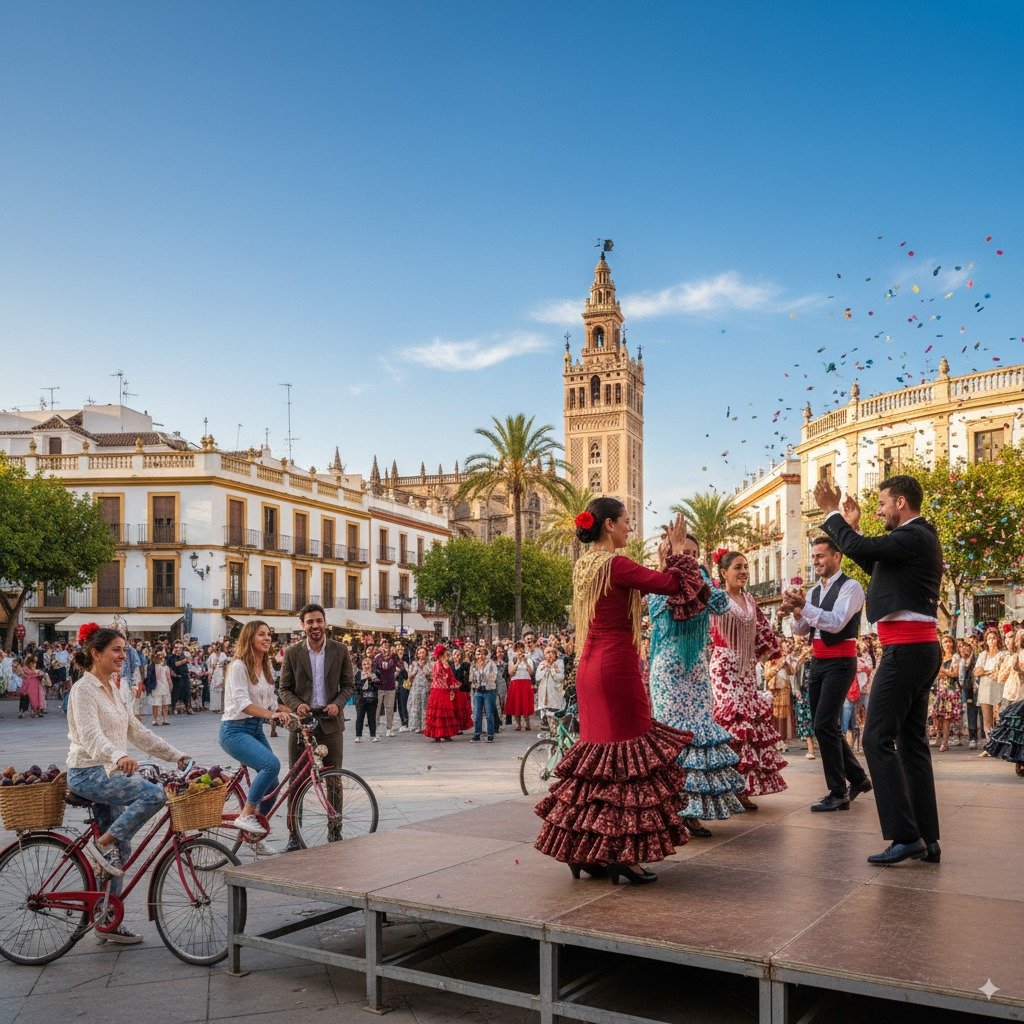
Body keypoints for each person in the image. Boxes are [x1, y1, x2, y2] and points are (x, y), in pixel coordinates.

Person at [535, 501, 707, 886]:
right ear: (609, 525)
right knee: (626, 761)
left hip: (589, 667)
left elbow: (634, 592)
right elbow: (673, 587)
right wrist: (678, 555)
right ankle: (623, 857)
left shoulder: (585, 565)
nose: (631, 528)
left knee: (597, 759)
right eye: (627, 522)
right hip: (616, 666)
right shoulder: (615, 564)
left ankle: (585, 851)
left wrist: (663, 562)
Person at [815, 474, 943, 865]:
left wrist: (833, 513)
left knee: (875, 739)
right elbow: (871, 556)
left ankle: (906, 835)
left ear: (901, 502)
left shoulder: (915, 534)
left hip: (906, 651)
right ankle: (927, 837)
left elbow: (861, 548)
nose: (878, 509)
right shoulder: (913, 541)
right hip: (916, 649)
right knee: (912, 745)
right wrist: (852, 529)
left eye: (883, 503)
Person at [66, 623, 193, 944]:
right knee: (152, 795)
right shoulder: (83, 690)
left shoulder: (113, 688)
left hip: (109, 772)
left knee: (123, 848)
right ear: (96, 653)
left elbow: (138, 731)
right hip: (89, 772)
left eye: (124, 649)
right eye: (116, 650)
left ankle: (107, 920)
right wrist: (116, 756)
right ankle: (101, 845)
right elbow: (90, 735)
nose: (124, 655)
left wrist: (175, 755)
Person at [647, 534, 746, 838]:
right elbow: (660, 608)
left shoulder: (705, 585)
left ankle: (690, 811)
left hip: (697, 671)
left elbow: (721, 605)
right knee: (672, 737)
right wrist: (673, 567)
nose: (688, 557)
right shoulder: (659, 580)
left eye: (693, 553)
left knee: (697, 737)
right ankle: (667, 810)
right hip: (668, 669)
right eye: (682, 552)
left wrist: (693, 573)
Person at [783, 536, 870, 813]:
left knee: (823, 724)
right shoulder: (813, 592)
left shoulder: (851, 587)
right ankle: (857, 779)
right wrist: (796, 614)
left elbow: (835, 623)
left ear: (836, 557)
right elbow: (801, 632)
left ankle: (837, 791)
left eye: (821, 556)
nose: (816, 561)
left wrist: (804, 607)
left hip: (841, 661)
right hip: (819, 661)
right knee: (827, 726)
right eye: (814, 557)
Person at [710, 552, 788, 809]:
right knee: (730, 723)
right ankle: (723, 786)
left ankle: (741, 788)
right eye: (737, 567)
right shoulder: (716, 600)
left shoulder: (750, 600)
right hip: (723, 669)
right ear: (723, 572)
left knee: (746, 727)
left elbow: (764, 633)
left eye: (745, 567)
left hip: (746, 672)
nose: (743, 571)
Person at [278, 603, 355, 852]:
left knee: (334, 779)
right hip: (302, 724)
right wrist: (297, 705)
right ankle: (294, 835)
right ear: (303, 626)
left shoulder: (340, 650)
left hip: (331, 722)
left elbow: (348, 684)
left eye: (318, 621)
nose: (315, 626)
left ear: (325, 623)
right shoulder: (292, 653)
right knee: (296, 781)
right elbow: (284, 689)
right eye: (310, 622)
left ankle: (335, 831)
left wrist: (338, 704)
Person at [218, 621, 293, 844]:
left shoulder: (266, 666)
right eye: (261, 634)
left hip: (254, 728)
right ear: (250, 637)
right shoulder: (239, 666)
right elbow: (242, 704)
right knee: (271, 765)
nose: (267, 638)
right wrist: (271, 716)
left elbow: (270, 702)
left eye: (269, 634)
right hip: (234, 730)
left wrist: (295, 710)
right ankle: (246, 814)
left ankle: (255, 835)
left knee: (272, 785)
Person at [973, 627, 1006, 753]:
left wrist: (984, 672)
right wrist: (988, 672)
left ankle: (1000, 746)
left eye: (994, 638)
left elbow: (1000, 671)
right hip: (985, 688)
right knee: (987, 720)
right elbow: (976, 671)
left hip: (998, 687)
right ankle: (990, 746)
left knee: (997, 717)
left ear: (998, 639)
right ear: (986, 640)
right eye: (989, 638)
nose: (991, 640)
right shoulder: (983, 654)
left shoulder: (1002, 654)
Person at [932, 636, 963, 753]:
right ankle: (940, 737)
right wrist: (942, 673)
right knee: (938, 715)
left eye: (949, 642)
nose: (947, 644)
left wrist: (944, 671)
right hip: (940, 689)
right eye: (945, 642)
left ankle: (945, 741)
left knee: (947, 716)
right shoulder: (940, 657)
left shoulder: (955, 657)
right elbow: (936, 673)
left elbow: (955, 674)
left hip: (950, 690)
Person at [424, 643, 460, 741]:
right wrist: (444, 667)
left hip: (445, 690)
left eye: (446, 656)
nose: (445, 658)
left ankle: (446, 733)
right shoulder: (436, 664)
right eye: (443, 656)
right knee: (437, 712)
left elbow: (451, 676)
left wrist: (446, 667)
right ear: (439, 656)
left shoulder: (447, 664)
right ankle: (437, 734)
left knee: (446, 711)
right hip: (437, 690)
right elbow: (437, 675)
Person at [469, 646, 499, 742]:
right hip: (478, 691)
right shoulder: (473, 665)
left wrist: (484, 676)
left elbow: (494, 676)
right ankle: (477, 734)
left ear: (485, 654)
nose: (480, 656)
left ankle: (490, 734)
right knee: (477, 714)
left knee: (489, 713)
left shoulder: (491, 664)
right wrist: (475, 684)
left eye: (482, 653)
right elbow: (471, 678)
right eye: (477, 654)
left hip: (489, 690)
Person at [505, 642, 535, 731]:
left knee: (525, 703)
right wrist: (517, 662)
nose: (520, 650)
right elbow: (511, 673)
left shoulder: (528, 659)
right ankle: (518, 724)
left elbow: (531, 672)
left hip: (526, 682)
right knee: (516, 703)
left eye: (521, 648)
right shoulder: (512, 660)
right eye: (517, 648)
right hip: (515, 683)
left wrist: (525, 662)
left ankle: (527, 724)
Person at [372, 642, 401, 737]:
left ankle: (389, 729)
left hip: (390, 686)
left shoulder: (394, 657)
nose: (385, 647)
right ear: (380, 647)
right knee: (377, 708)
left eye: (387, 646)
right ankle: (375, 728)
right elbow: (373, 670)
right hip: (379, 686)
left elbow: (400, 666)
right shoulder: (377, 657)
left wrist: (396, 672)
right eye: (383, 646)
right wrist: (375, 679)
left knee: (389, 708)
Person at [534, 646, 566, 728]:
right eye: (547, 653)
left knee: (555, 711)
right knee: (545, 712)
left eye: (551, 653)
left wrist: (552, 669)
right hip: (544, 691)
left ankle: (556, 729)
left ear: (555, 655)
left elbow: (560, 677)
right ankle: (548, 727)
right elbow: (537, 677)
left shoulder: (559, 663)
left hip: (555, 691)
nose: (549, 655)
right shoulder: (542, 664)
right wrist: (545, 668)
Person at [957, 638, 980, 747]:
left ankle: (986, 735)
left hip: (977, 688)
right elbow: (960, 677)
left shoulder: (976, 658)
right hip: (967, 689)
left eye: (965, 646)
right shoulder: (961, 661)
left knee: (980, 712)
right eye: (961, 647)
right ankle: (973, 737)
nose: (963, 648)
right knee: (971, 712)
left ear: (971, 647)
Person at [353, 655, 380, 742]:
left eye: (368, 664)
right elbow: (355, 686)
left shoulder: (375, 673)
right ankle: (358, 735)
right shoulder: (358, 674)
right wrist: (364, 679)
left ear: (371, 665)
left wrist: (371, 677)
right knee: (359, 717)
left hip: (372, 699)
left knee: (372, 717)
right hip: (361, 699)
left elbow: (378, 684)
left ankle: (373, 735)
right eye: (364, 664)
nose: (366, 666)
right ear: (362, 665)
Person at [406, 646, 430, 732]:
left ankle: (424, 725)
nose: (421, 655)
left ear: (426, 653)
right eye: (419, 653)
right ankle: (416, 726)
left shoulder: (429, 663)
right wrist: (411, 672)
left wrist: (424, 669)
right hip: (415, 687)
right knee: (416, 706)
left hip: (425, 687)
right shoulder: (414, 663)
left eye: (423, 652)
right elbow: (410, 676)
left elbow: (430, 674)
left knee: (424, 706)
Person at [450, 646, 474, 732]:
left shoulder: (465, 665)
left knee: (461, 708)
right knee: (453, 709)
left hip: (462, 690)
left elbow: (469, 677)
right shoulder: (450, 665)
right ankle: (453, 726)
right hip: (452, 690)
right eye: (454, 654)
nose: (456, 656)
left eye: (458, 654)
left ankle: (459, 727)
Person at [18, 654, 47, 718]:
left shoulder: (26, 668)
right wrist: (37, 674)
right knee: (32, 699)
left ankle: (28, 712)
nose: (35, 664)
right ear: (31, 662)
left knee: (28, 699)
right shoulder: (27, 668)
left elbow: (25, 675)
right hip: (31, 685)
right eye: (34, 662)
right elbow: (28, 674)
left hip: (29, 685)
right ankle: (32, 712)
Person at [392, 640, 411, 731]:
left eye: (402, 650)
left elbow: (408, 675)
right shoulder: (392, 662)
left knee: (403, 704)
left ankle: (406, 721)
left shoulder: (405, 662)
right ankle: (403, 721)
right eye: (398, 650)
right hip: (395, 685)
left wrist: (400, 671)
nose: (400, 651)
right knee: (399, 704)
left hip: (403, 685)